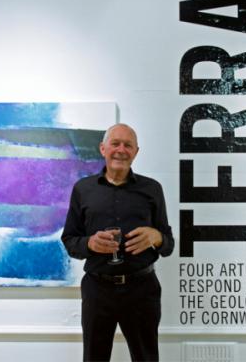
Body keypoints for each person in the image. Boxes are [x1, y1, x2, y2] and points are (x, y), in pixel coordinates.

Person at [61, 123, 174, 362]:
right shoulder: (83, 189)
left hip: (142, 289)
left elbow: (169, 243)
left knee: (146, 358)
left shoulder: (152, 189)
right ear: (103, 148)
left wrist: (156, 237)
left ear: (136, 152)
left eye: (128, 145)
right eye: (115, 143)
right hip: (97, 289)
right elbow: (70, 240)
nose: (121, 150)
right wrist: (90, 243)